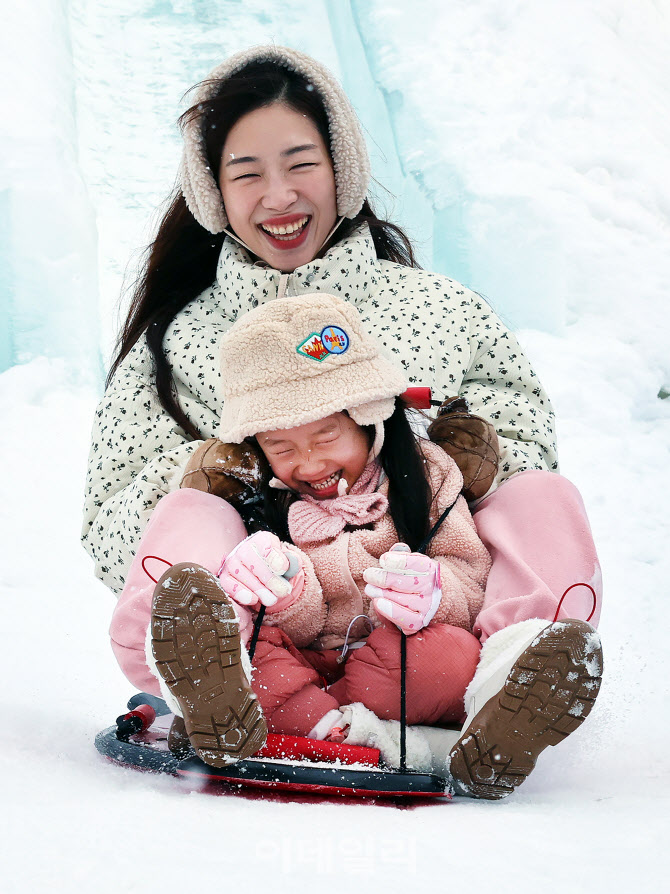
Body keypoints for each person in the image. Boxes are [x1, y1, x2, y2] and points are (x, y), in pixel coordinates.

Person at [82, 45, 603, 799]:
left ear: (343, 166)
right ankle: (211, 680)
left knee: (545, 497)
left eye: (301, 163)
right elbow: (109, 520)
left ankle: (513, 687)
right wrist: (218, 488)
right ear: (212, 191)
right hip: (268, 627)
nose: (279, 195)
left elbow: (522, 444)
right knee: (190, 510)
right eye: (247, 173)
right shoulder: (178, 343)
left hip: (426, 627)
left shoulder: (440, 311)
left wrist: (450, 462)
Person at [126, 292, 491, 772]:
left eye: (327, 436)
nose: (311, 463)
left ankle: (303, 727)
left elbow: (470, 570)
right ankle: (341, 732)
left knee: (451, 660)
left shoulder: (427, 475)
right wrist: (285, 591)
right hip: (300, 661)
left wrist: (437, 593)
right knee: (246, 657)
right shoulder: (256, 495)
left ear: (367, 418)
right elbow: (276, 620)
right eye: (281, 446)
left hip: (398, 663)